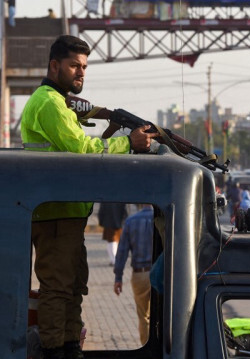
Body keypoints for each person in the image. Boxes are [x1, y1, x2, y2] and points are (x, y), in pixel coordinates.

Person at [21, 35, 157, 359]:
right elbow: (82, 150)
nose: (80, 72)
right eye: (74, 65)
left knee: (73, 286)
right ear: (54, 66)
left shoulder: (59, 104)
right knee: (57, 288)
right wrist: (128, 143)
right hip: (54, 214)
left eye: (84, 67)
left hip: (64, 213)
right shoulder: (49, 102)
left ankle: (69, 345)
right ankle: (55, 350)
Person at [113, 204, 154, 345]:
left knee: (144, 317)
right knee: (163, 313)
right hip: (162, 274)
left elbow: (122, 252)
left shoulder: (131, 221)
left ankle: (147, 348)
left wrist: (118, 278)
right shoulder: (163, 219)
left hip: (140, 274)